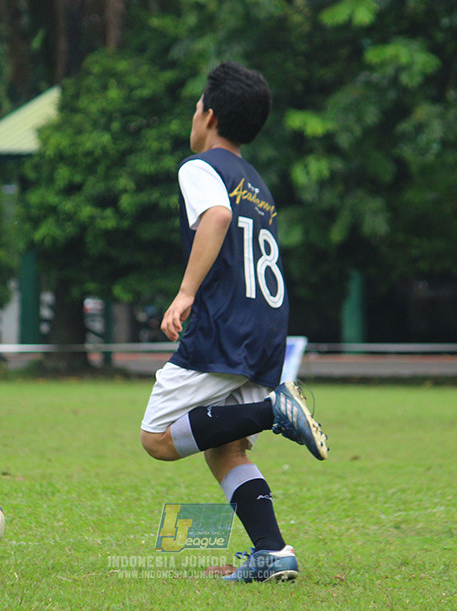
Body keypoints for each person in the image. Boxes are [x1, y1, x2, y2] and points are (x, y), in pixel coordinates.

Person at [140, 62, 328, 583]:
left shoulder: (201, 167)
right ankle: (273, 552)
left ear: (210, 114)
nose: (193, 113)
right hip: (264, 326)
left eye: (196, 104)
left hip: (224, 327)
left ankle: (275, 410)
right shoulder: (257, 182)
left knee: (157, 438)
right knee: (225, 445)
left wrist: (184, 293)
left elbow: (217, 219)